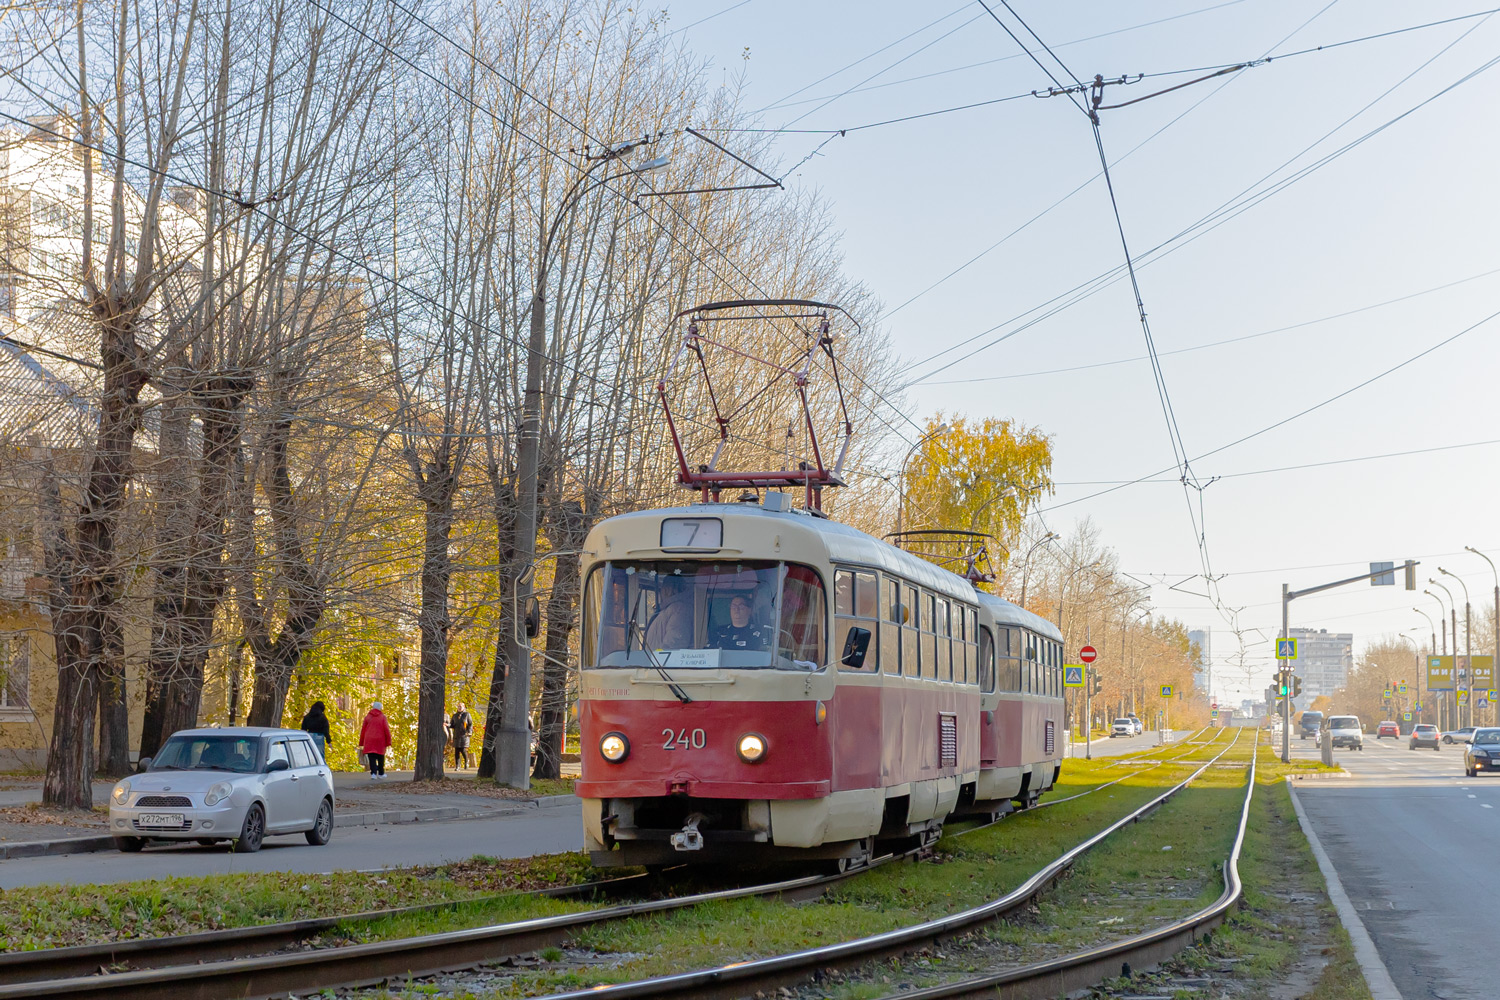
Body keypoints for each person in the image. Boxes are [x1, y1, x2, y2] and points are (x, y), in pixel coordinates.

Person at [644, 574, 695, 650]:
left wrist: (658, 654)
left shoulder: (679, 609)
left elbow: (675, 642)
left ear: (671, 589)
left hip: (662, 657)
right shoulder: (668, 609)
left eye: (665, 587)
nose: (662, 591)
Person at [359, 701, 392, 779]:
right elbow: (386, 729)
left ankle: (373, 773)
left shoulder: (367, 717)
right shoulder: (383, 717)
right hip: (380, 739)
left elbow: (363, 730)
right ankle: (381, 773)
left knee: (371, 757)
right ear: (380, 708)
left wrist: (361, 742)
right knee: (380, 756)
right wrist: (388, 741)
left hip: (369, 739)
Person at [450, 702, 473, 769]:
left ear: (464, 707)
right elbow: (452, 724)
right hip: (457, 735)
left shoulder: (466, 714)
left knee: (463, 749)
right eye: (458, 706)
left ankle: (466, 762)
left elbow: (470, 724)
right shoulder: (455, 716)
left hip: (464, 735)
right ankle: (457, 766)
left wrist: (469, 732)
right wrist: (447, 725)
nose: (459, 708)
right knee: (456, 750)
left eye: (461, 706)